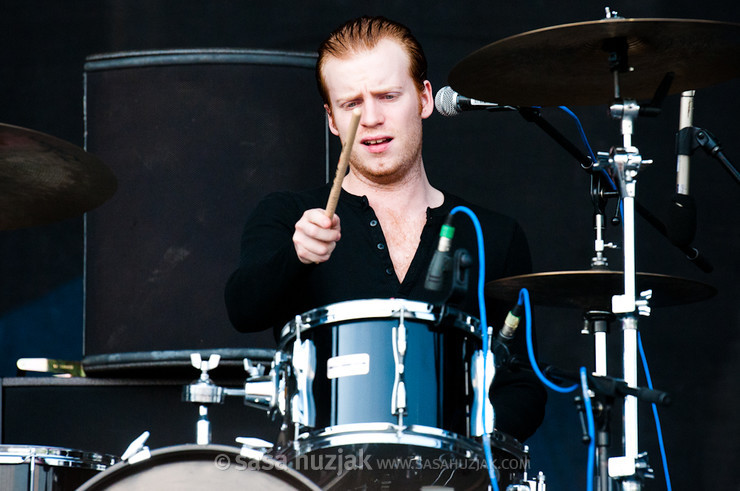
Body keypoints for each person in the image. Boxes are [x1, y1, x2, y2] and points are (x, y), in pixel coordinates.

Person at [225, 15, 546, 443]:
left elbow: (523, 385)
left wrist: (464, 449)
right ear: (333, 120)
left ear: (424, 99)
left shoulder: (494, 235)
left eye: (388, 96)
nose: (371, 117)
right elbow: (243, 309)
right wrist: (296, 256)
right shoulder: (289, 215)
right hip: (324, 474)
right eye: (352, 103)